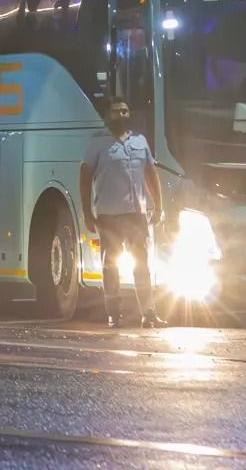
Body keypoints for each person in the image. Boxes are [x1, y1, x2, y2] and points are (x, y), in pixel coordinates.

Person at [81, 99, 166, 328]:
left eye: (125, 111)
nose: (121, 115)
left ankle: (148, 313)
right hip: (109, 217)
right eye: (116, 111)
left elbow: (150, 174)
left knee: (143, 264)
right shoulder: (97, 143)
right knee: (111, 266)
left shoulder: (139, 141)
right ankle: (113, 314)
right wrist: (87, 213)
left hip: (135, 215)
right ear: (108, 115)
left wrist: (158, 206)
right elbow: (85, 177)